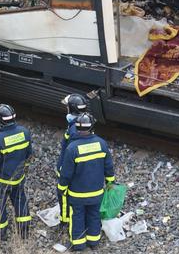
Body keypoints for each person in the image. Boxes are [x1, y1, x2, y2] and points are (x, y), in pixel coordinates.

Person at [58, 112, 115, 251]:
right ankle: (94, 242)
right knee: (94, 215)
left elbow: (66, 173)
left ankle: (78, 245)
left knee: (77, 217)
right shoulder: (101, 143)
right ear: (92, 127)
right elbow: (109, 166)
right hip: (96, 192)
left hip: (77, 194)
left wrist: (62, 188)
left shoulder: (72, 148)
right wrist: (110, 182)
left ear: (77, 127)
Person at [0, 103, 32, 240]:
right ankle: (24, 231)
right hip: (19, 177)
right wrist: (24, 168)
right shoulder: (25, 132)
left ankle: (1, 233)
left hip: (1, 181)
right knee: (20, 201)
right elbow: (29, 155)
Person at [56, 93, 88, 225]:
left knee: (64, 195)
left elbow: (72, 154)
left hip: (68, 170)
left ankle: (65, 221)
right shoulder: (81, 124)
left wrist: (65, 171)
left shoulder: (75, 129)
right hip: (74, 170)